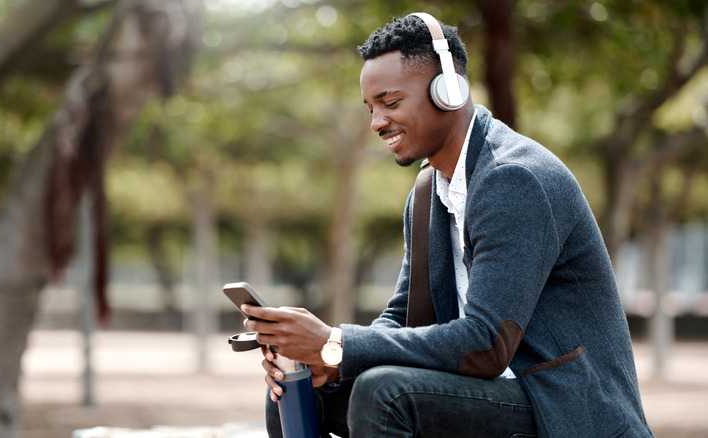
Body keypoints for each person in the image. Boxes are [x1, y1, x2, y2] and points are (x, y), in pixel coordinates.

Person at [242, 12, 652, 438]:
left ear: (448, 91)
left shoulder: (515, 179)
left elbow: (487, 343)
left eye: (391, 102)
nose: (376, 123)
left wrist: (337, 343)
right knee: (295, 391)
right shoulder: (428, 193)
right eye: (370, 108)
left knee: (384, 393)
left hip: (563, 406)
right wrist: (325, 363)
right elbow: (402, 318)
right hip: (490, 394)